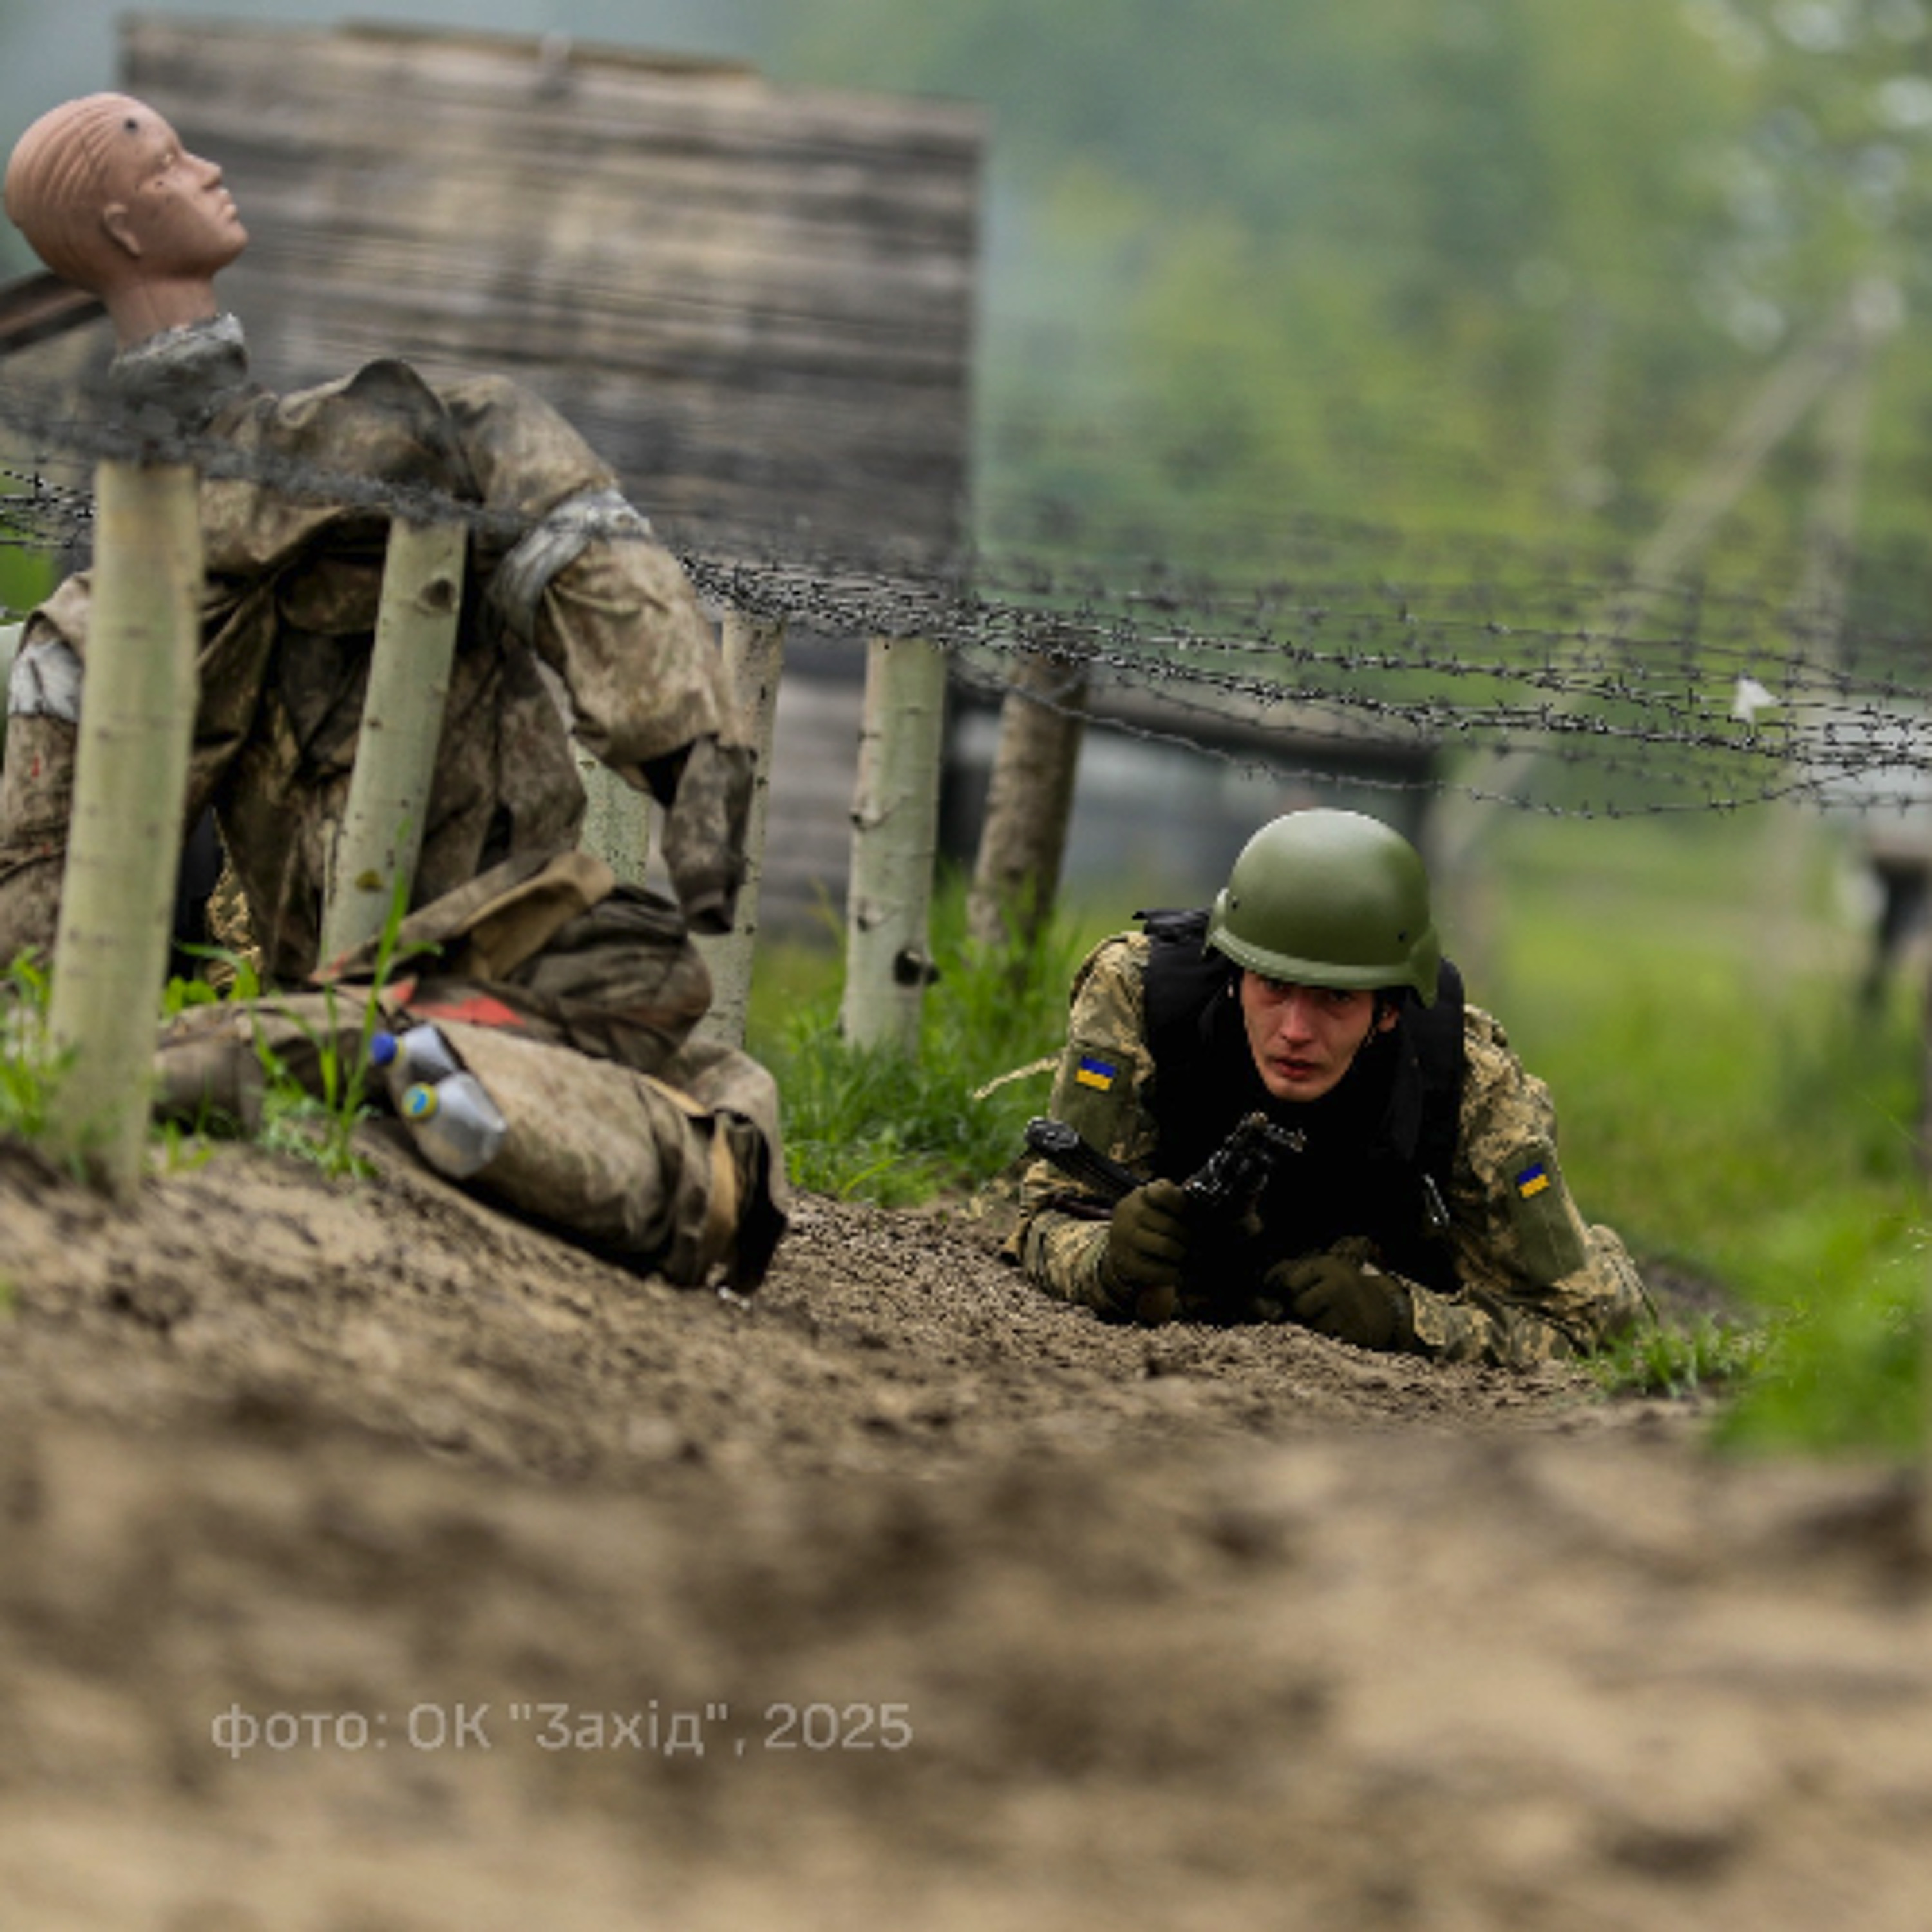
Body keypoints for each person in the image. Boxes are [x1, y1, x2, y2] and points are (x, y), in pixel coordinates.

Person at [0, 93, 787, 1289]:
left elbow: (579, 542)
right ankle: (369, 1062)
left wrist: (690, 759)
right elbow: (34, 919)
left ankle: (345, 1060)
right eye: (167, 160)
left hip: (522, 955)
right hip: (364, 977)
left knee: (707, 1078)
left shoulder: (399, 454)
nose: (208, 167)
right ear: (116, 219)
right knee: (694, 1157)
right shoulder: (119, 610)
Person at [1009, 808, 1649, 1367]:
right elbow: (1040, 1220)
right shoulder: (1141, 999)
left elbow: (1591, 1326)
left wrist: (1403, 1317)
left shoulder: (1467, 1081)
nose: (1295, 1030)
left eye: (1335, 1000)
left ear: (1390, 1010)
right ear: (1234, 974)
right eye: (1274, 988)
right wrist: (1109, 1262)